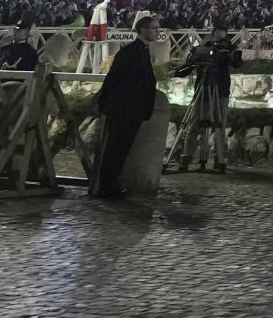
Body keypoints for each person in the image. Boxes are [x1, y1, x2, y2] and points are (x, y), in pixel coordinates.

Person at [92, 13, 159, 198]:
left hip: (133, 109)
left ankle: (112, 184)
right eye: (154, 28)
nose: (157, 31)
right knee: (116, 147)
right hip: (124, 108)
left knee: (122, 148)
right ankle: (107, 186)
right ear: (143, 29)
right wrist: (104, 102)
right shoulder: (130, 52)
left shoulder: (141, 51)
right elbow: (113, 79)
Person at [171, 30, 240, 173]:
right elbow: (190, 65)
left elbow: (237, 64)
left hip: (221, 92)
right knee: (194, 125)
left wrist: (232, 54)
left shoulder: (226, 51)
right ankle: (186, 158)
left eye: (222, 37)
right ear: (212, 34)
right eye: (217, 36)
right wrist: (177, 72)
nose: (218, 40)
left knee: (219, 126)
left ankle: (218, 159)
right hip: (203, 92)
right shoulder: (203, 50)